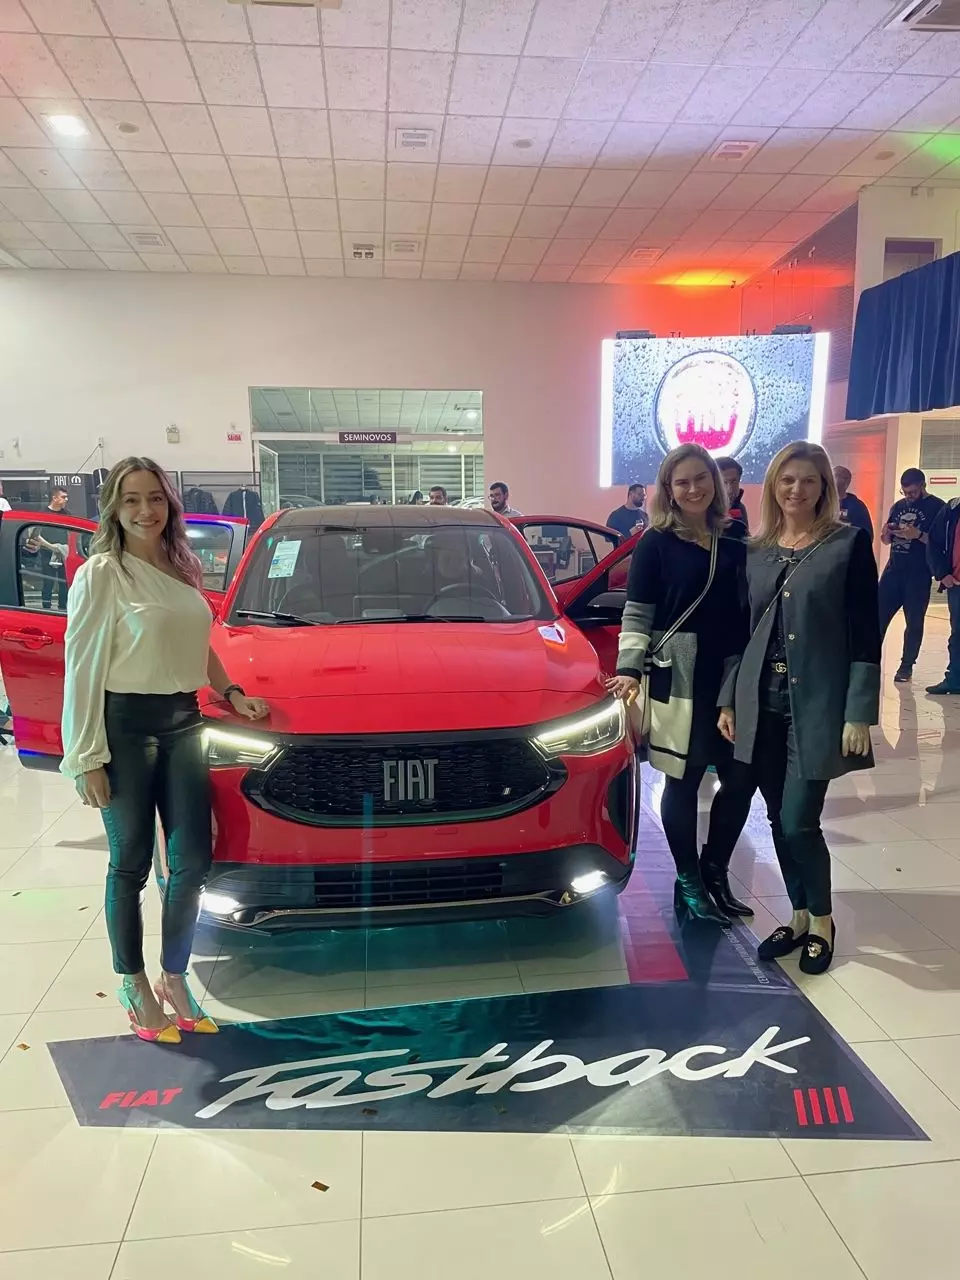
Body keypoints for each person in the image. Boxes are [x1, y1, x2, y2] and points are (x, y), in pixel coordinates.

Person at [60, 457, 270, 1044]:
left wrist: (230, 690)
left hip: (185, 724)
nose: (145, 510)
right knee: (128, 864)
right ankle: (132, 984)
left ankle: (173, 978)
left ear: (169, 505)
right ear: (113, 508)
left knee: (192, 864)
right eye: (131, 500)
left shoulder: (182, 569)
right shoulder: (102, 573)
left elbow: (197, 643)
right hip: (124, 727)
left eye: (155, 498)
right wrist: (86, 756)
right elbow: (81, 669)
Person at [719, 441, 880, 975]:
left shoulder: (848, 544)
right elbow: (740, 633)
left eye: (808, 480)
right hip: (758, 700)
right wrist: (728, 698)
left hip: (815, 705)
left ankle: (825, 920)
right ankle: (799, 913)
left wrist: (858, 711)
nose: (796, 490)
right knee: (774, 814)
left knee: (797, 820)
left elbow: (865, 632)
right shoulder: (756, 548)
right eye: (787, 480)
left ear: (824, 488)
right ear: (773, 486)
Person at [606, 444, 754, 925]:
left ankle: (714, 870)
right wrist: (629, 668)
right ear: (667, 490)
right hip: (679, 671)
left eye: (700, 478)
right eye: (681, 482)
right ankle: (688, 880)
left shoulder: (736, 539)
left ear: (715, 481)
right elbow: (638, 610)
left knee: (740, 779)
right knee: (684, 778)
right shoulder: (655, 542)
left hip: (731, 671)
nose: (693, 489)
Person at [878, 468, 945, 684]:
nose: (908, 497)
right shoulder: (899, 506)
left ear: (923, 486)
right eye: (905, 492)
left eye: (913, 493)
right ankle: (868, 661)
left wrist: (917, 535)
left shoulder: (937, 507)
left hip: (918, 574)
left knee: (914, 622)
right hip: (893, 570)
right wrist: (887, 533)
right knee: (877, 618)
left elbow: (941, 544)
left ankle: (906, 666)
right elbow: (886, 541)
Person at [926, 495, 960, 695]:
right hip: (956, 584)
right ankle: (955, 679)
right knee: (958, 635)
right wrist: (942, 573)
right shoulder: (953, 508)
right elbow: (934, 541)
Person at [30, 485, 71, 609]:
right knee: (48, 582)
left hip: (63, 553)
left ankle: (63, 608)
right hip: (47, 552)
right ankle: (46, 608)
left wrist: (63, 548)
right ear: (55, 498)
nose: (66, 500)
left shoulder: (67, 514)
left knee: (64, 583)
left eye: (67, 497)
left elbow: (71, 533)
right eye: (63, 497)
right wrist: (51, 547)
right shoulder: (43, 513)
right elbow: (36, 534)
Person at [834, 466, 874, 540]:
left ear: (847, 482)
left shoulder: (857, 506)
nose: (831, 479)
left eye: (835, 475)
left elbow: (867, 536)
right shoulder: (821, 503)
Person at [716, 457, 750, 535]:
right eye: (724, 482)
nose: (729, 490)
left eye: (733, 481)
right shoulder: (704, 511)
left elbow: (746, 539)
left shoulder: (741, 508)